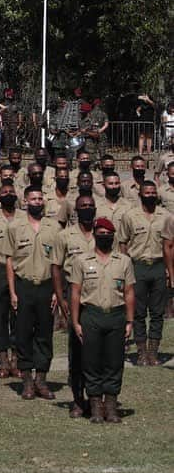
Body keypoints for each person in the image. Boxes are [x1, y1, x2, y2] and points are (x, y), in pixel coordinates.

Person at [69, 218, 135, 424]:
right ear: (95, 235)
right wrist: (75, 322)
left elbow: (130, 292)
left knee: (114, 362)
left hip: (116, 315)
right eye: (101, 232)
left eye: (108, 233)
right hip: (91, 316)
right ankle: (96, 405)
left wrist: (130, 321)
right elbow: (75, 294)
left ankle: (111, 406)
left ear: (113, 235)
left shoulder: (124, 261)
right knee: (91, 362)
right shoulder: (81, 260)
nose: (104, 236)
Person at [6, 186, 61, 400]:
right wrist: (12, 292)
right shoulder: (15, 227)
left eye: (40, 198)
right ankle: (27, 380)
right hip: (23, 286)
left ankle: (41, 379)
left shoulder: (54, 227)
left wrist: (58, 291)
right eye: (33, 199)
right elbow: (9, 260)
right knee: (23, 334)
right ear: (25, 201)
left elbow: (59, 262)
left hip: (47, 287)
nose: (37, 202)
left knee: (44, 334)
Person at [51, 194, 96, 417]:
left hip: (99, 296)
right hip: (74, 295)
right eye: (83, 207)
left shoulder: (104, 233)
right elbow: (56, 268)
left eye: (90, 206)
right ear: (76, 211)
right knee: (77, 351)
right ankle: (78, 399)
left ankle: (97, 399)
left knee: (98, 352)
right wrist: (61, 299)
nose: (87, 209)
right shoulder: (64, 236)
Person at [118, 181, 167, 366]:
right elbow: (122, 241)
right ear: (140, 194)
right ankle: (141, 352)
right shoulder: (130, 216)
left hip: (158, 266)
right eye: (147, 192)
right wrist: (124, 266)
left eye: (153, 192)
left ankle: (153, 352)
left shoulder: (166, 216)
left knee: (157, 312)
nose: (150, 195)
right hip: (137, 266)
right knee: (137, 312)